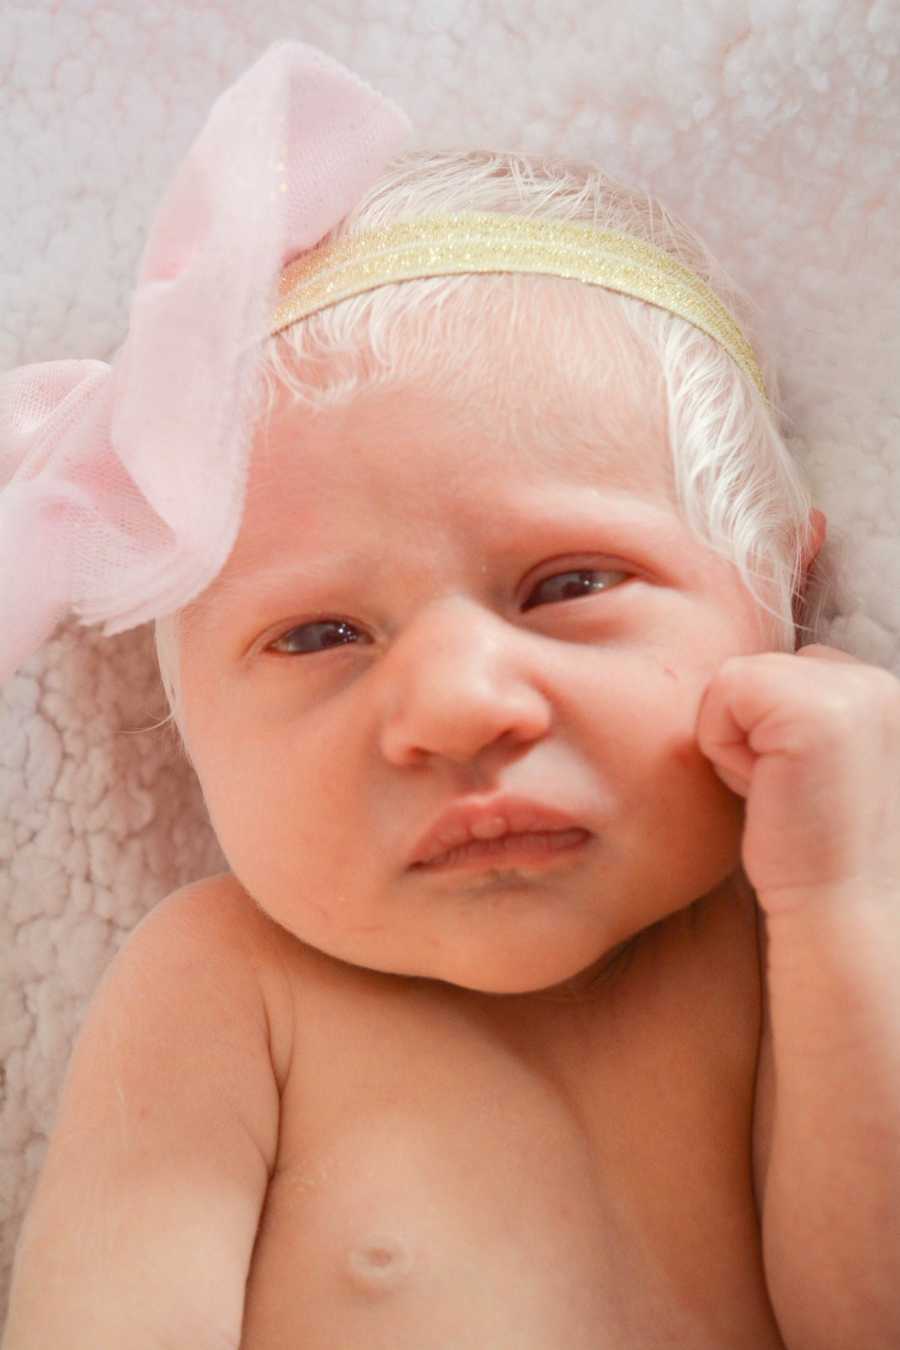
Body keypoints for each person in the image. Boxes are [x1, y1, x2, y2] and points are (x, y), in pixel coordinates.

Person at [3, 40, 899, 1350]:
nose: (459, 705)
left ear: (781, 590)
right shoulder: (225, 988)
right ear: (189, 720)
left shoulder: (795, 952)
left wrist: (845, 898)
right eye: (316, 633)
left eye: (568, 582)